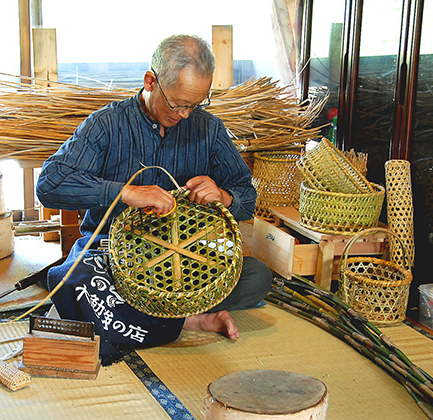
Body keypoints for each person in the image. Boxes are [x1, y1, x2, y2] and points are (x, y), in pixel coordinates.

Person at [36, 34, 272, 364]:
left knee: (256, 276)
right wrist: (124, 191)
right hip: (110, 255)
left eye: (196, 104)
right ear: (150, 81)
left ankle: (154, 316)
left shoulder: (209, 129)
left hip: (185, 257)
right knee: (82, 278)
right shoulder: (107, 125)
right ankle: (190, 319)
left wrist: (224, 196)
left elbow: (248, 198)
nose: (187, 115)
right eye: (178, 104)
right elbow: (49, 184)